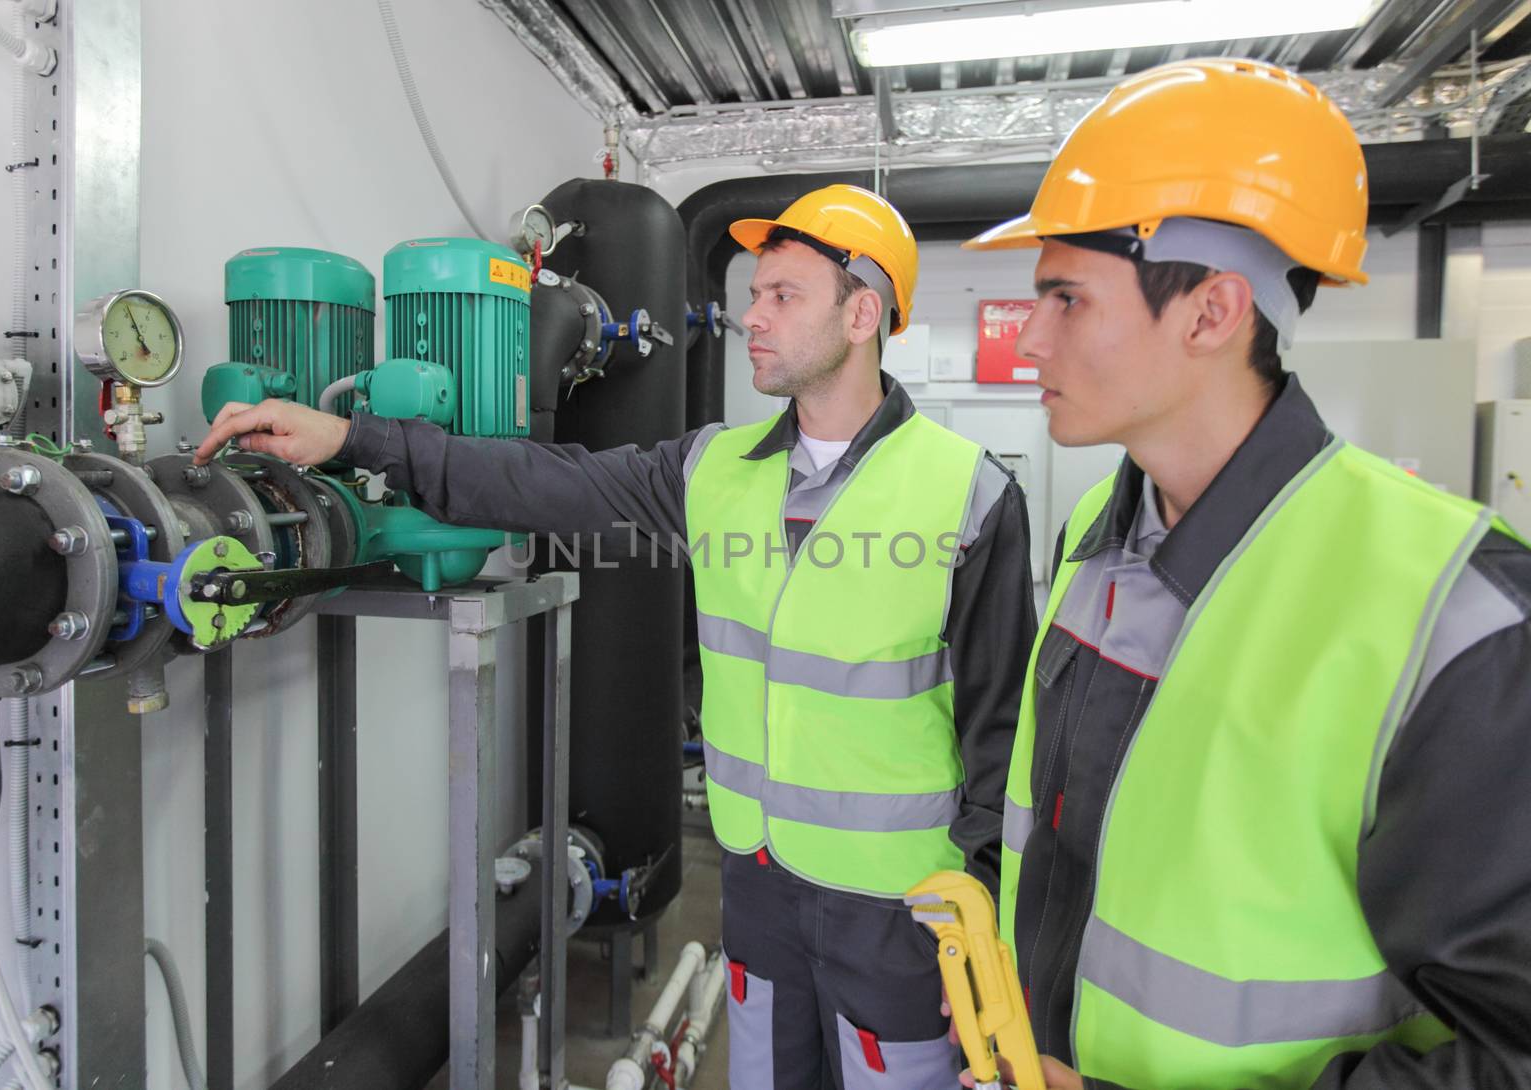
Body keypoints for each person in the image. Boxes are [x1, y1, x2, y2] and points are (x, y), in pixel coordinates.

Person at [195, 184, 1039, 1088]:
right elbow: (536, 482)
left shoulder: (969, 493)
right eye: (752, 292)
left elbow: (1006, 734)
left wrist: (991, 909)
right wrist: (350, 437)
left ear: (863, 312)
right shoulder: (713, 468)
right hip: (758, 887)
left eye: (784, 296)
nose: (751, 315)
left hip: (901, 911)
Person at [959, 58, 1531, 1089]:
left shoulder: (1454, 613)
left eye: (1065, 298)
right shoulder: (1099, 525)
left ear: (1211, 312)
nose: (1027, 337)